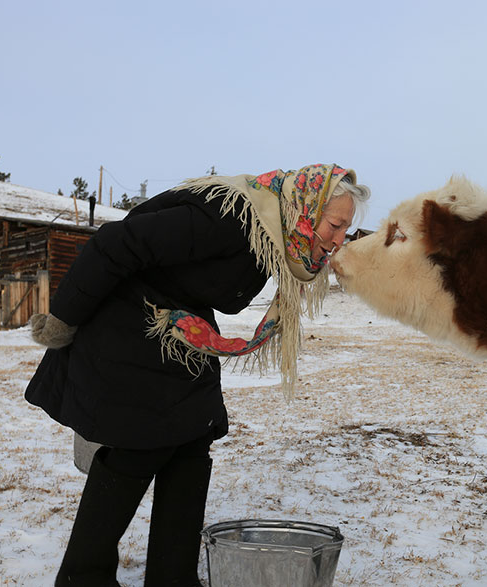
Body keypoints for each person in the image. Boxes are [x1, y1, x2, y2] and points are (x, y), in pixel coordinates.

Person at [25, 163, 370, 586]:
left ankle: (173, 577)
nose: (338, 240)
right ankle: (83, 577)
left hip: (182, 329)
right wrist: (63, 318)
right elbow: (115, 242)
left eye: (345, 230)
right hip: (131, 321)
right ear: (307, 207)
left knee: (192, 442)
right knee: (141, 445)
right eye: (335, 225)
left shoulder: (275, 232)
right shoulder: (227, 219)